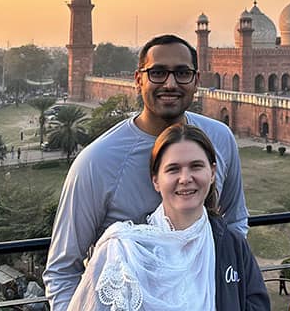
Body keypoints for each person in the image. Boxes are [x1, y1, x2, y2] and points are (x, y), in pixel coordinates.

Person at [45, 35, 249, 310]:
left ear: (196, 80)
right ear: (138, 79)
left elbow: (235, 222)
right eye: (157, 72)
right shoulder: (97, 161)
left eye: (182, 73)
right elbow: (62, 269)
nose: (170, 83)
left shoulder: (219, 139)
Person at [68, 124, 269, 310]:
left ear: (213, 173)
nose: (185, 178)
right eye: (173, 169)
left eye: (196, 166)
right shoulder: (128, 249)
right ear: (156, 180)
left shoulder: (230, 245)